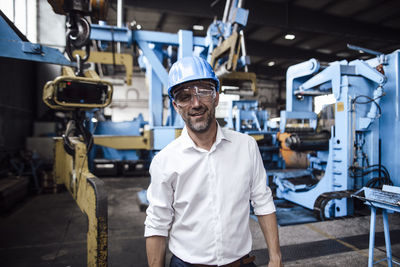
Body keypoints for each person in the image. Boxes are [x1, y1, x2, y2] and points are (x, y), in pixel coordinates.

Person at [144, 56, 282, 267]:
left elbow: (262, 202)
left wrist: (275, 258)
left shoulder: (246, 146)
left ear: (216, 97)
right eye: (185, 96)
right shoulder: (164, 161)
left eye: (204, 92)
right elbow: (157, 224)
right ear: (176, 105)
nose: (196, 103)